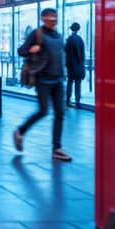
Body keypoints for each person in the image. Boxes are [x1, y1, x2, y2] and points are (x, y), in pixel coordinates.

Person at [13, 8, 71, 161]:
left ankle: (56, 148)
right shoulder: (37, 33)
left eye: (56, 17)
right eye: (51, 17)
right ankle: (20, 131)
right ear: (43, 18)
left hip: (58, 80)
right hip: (43, 79)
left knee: (60, 113)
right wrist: (32, 50)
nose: (54, 19)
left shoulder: (59, 36)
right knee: (44, 111)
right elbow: (21, 50)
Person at [65, 22, 85, 107]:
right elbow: (82, 53)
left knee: (69, 83)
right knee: (77, 84)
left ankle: (68, 100)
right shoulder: (80, 39)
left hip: (70, 66)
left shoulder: (69, 39)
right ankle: (77, 101)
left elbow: (65, 50)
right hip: (78, 65)